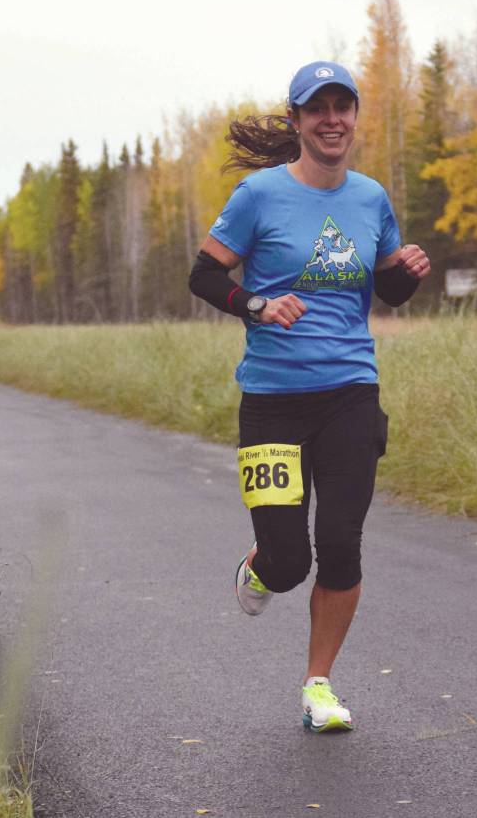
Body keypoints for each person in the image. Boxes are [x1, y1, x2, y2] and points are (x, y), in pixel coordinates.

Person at [188, 60, 430, 733]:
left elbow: (386, 289)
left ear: (354, 117)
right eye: (316, 108)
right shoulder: (259, 195)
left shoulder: (370, 198)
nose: (331, 120)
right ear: (295, 121)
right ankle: (263, 564)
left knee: (342, 542)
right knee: (292, 560)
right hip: (272, 398)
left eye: (342, 107)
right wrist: (257, 304)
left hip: (351, 391)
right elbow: (204, 275)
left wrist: (407, 272)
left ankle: (318, 686)